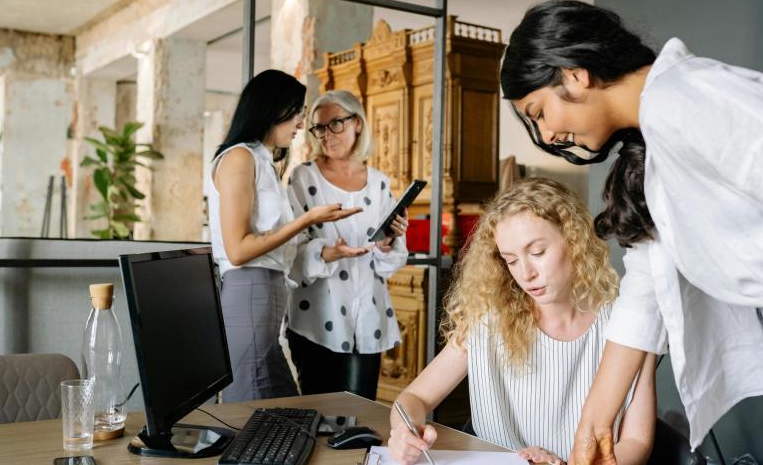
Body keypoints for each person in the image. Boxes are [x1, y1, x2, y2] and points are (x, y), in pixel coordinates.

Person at [500, 0, 763, 463]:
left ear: (574, 75)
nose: (548, 135)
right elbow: (645, 295)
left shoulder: (685, 96)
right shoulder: (653, 143)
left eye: (539, 112)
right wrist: (594, 424)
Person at [388, 178, 656, 465]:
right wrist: (404, 431)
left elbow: (637, 442)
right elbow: (414, 398)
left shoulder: (629, 323)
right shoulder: (488, 319)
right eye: (511, 260)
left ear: (574, 240)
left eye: (537, 253)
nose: (526, 274)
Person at [208, 70, 361, 402]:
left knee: (277, 406)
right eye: (296, 113)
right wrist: (308, 219)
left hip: (265, 294)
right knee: (257, 408)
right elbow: (238, 249)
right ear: (270, 109)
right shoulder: (240, 157)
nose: (301, 124)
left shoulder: (262, 161)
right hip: (249, 290)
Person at [285, 90, 409, 401]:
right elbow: (289, 250)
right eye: (319, 127)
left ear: (357, 123)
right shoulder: (303, 178)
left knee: (360, 416)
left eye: (335, 124)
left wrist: (388, 243)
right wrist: (330, 253)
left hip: (368, 318)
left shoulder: (379, 183)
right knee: (319, 415)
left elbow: (389, 260)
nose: (326, 135)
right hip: (316, 320)